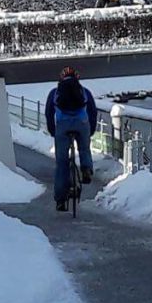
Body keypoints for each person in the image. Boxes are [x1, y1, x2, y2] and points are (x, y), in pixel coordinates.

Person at [45, 67, 98, 212]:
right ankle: (86, 168)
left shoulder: (54, 92)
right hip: (81, 124)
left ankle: (61, 201)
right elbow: (93, 112)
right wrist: (90, 131)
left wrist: (53, 131)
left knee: (61, 163)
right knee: (84, 148)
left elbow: (49, 114)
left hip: (62, 126)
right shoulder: (84, 92)